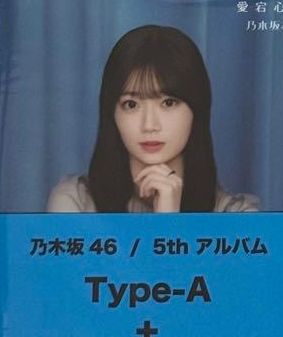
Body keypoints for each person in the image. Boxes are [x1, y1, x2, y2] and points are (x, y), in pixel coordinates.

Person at [47, 25, 259, 213]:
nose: (149, 125)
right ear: (111, 113)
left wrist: (168, 220)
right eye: (131, 105)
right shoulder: (74, 203)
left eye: (168, 103)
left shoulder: (238, 217)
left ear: (197, 108)